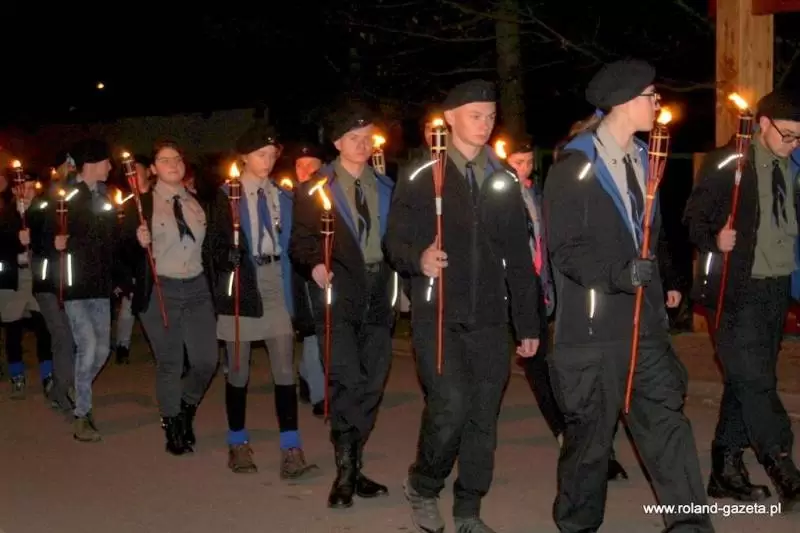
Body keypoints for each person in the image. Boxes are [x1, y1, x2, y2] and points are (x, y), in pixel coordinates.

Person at [543, 60, 712, 532]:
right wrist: (618, 274)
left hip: (645, 326)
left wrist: (670, 278)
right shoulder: (575, 167)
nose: (657, 103)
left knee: (666, 426)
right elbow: (565, 249)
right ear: (622, 102)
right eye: (650, 96)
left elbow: (649, 233)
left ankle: (690, 525)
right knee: (590, 441)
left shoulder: (644, 157)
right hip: (594, 331)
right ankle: (577, 525)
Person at [385, 80, 540, 533]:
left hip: (491, 317)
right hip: (438, 314)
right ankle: (424, 484)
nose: (485, 124)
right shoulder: (421, 173)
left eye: (491, 116)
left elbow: (518, 255)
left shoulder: (503, 177)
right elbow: (394, 241)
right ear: (450, 118)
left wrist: (528, 323)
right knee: (450, 405)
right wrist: (418, 258)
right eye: (475, 115)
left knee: (484, 415)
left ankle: (469, 507)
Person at [684, 90, 800, 509]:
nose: (793, 145)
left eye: (799, 138)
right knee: (755, 380)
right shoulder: (729, 162)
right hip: (736, 289)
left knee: (745, 379)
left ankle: (725, 469)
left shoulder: (793, 167)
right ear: (763, 124)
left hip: (776, 288)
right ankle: (782, 464)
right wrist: (715, 239)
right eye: (787, 135)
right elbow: (693, 218)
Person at [290, 101, 395, 508]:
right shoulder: (316, 188)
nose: (363, 145)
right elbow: (300, 242)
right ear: (337, 142)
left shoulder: (385, 186)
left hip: (379, 291)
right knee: (345, 380)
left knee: (373, 383)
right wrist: (315, 263)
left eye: (368, 138)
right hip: (338, 293)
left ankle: (356, 461)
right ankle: (346, 470)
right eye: (354, 138)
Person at [209, 124, 316, 478]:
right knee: (239, 370)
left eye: (272, 155)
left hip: (274, 282)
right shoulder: (227, 196)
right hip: (243, 283)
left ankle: (291, 447)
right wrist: (226, 258)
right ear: (244, 157)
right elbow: (213, 246)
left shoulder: (282, 196)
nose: (268, 161)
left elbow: (295, 240)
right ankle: (237, 442)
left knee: (284, 368)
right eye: (261, 155)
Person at [121, 140, 218, 455]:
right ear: (153, 168)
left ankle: (187, 405)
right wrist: (136, 241)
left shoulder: (197, 202)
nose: (173, 164)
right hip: (161, 289)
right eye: (165, 160)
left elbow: (210, 246)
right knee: (170, 362)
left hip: (198, 287)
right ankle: (173, 422)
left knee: (206, 360)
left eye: (177, 158)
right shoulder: (141, 204)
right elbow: (120, 252)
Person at [56, 139, 119, 442]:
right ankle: (82, 415)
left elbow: (111, 239)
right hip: (75, 286)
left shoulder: (105, 196)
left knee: (103, 349)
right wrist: (53, 242)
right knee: (89, 346)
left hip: (100, 286)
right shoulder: (67, 197)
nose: (111, 166)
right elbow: (46, 230)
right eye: (107, 161)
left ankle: (79, 387)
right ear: (92, 163)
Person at [0, 171, 55, 400]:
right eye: (25, 187)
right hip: (12, 279)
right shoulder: (5, 215)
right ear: (14, 190)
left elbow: (50, 240)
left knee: (44, 327)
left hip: (37, 277)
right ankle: (17, 375)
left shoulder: (42, 212)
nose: (30, 192)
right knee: (13, 330)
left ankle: (48, 375)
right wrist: (16, 241)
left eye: (33, 187)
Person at [291, 141, 327, 417]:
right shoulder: (287, 196)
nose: (304, 171)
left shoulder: (324, 195)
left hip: (316, 270)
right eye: (299, 166)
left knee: (315, 330)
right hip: (294, 272)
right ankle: (311, 381)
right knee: (310, 330)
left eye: (311, 166)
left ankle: (317, 392)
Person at [113, 154, 152, 365]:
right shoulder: (128, 205)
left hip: (157, 263)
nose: (132, 175)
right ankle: (122, 345)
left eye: (136, 170)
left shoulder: (157, 199)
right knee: (129, 306)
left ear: (148, 171)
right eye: (129, 172)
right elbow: (122, 241)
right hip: (135, 265)